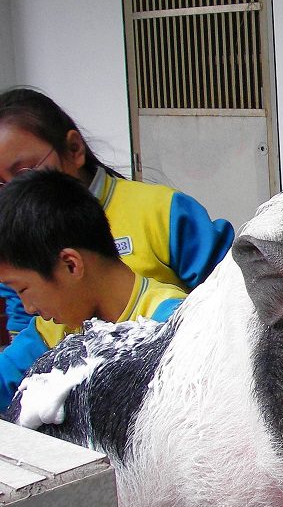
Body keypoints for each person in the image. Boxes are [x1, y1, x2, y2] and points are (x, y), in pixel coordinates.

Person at [0, 87, 233, 337]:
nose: (13, 191)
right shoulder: (17, 243)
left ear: (74, 149)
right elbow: (26, 333)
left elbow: (232, 295)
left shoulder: (160, 211)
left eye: (24, 171)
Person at [0, 171, 188, 410]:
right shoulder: (51, 332)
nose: (28, 308)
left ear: (71, 264)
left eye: (23, 289)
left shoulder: (171, 326)